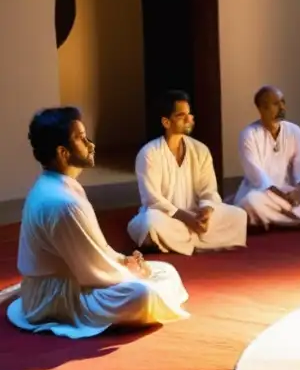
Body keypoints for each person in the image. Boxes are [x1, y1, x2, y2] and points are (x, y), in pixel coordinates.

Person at [7, 107, 189, 338]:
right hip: (58, 298)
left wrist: (123, 260)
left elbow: (94, 253)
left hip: (75, 280)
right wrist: (132, 273)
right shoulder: (62, 202)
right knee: (143, 295)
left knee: (166, 271)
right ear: (63, 152)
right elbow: (92, 271)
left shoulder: (57, 185)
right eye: (81, 139)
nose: (90, 144)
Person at [127, 90, 247, 255]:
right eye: (181, 115)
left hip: (195, 214)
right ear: (166, 122)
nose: (189, 119)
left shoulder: (200, 150)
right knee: (150, 223)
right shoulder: (149, 153)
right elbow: (152, 199)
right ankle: (197, 240)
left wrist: (206, 211)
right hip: (168, 217)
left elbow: (209, 190)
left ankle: (178, 242)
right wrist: (186, 218)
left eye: (189, 114)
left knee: (238, 216)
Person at [231, 86, 300, 230]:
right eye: (275, 104)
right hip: (265, 194)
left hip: (292, 192)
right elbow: (256, 176)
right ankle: (299, 219)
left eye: (283, 102)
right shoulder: (249, 134)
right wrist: (280, 194)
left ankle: (278, 220)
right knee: (251, 202)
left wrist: (298, 190)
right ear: (262, 108)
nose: (282, 107)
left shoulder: (294, 131)